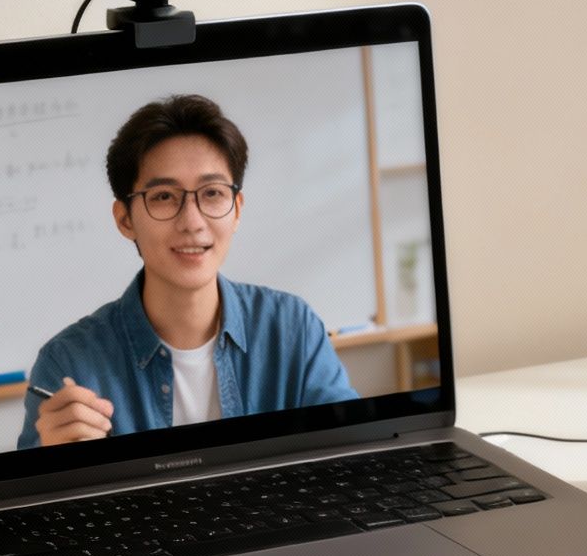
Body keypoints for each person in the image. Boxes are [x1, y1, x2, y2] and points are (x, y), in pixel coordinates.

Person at [18, 94, 357, 449]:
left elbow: (351, 458)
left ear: (236, 209)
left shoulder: (292, 329)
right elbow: (31, 501)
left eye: (212, 193)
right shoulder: (68, 363)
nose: (192, 222)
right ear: (124, 219)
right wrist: (51, 460)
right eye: (164, 196)